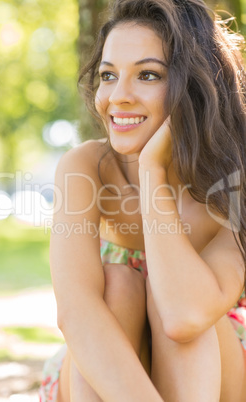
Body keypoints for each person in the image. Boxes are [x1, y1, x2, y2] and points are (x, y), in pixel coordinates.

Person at [39, 0, 246, 400]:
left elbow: (185, 316)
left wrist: (152, 170)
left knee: (182, 310)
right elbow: (76, 312)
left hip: (212, 362)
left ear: (196, 84)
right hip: (108, 372)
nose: (119, 96)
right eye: (108, 75)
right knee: (116, 284)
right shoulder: (85, 167)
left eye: (148, 75)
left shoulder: (234, 185)